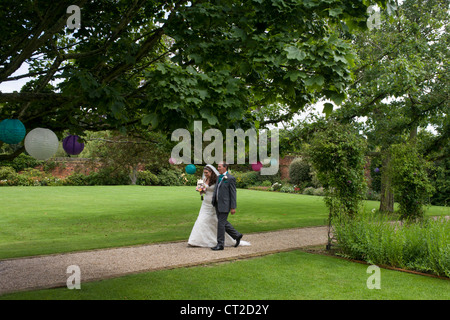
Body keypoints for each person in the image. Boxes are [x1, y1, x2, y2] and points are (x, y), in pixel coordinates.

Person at [188, 164, 249, 249]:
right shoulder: (204, 180)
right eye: (204, 173)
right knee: (213, 221)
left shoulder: (219, 178)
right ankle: (197, 240)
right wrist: (200, 190)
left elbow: (231, 193)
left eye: (207, 173)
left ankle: (222, 243)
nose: (205, 174)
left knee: (219, 222)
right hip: (206, 203)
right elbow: (203, 192)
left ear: (211, 172)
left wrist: (233, 207)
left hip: (217, 203)